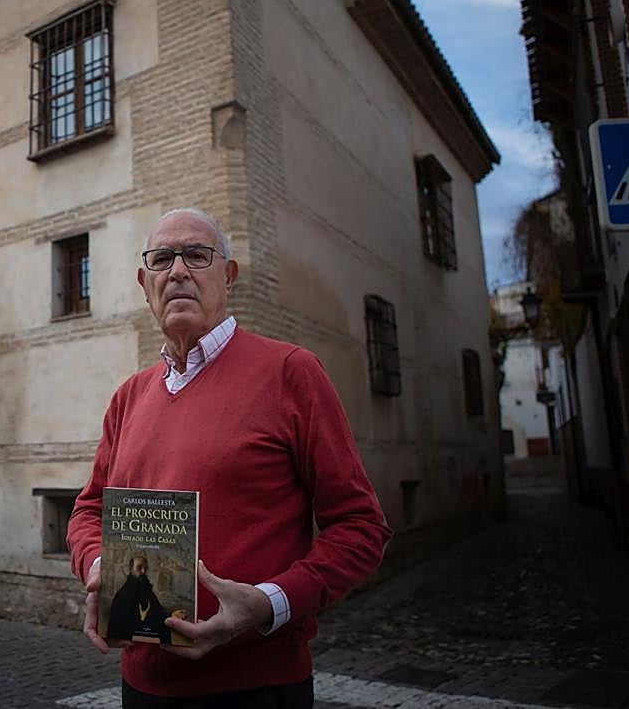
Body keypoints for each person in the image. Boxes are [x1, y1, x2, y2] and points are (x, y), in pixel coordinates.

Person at [67, 208, 392, 708]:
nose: (177, 271)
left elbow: (361, 527)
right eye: (161, 259)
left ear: (229, 276)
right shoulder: (128, 397)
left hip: (256, 687)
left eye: (197, 256)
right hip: (142, 686)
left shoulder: (291, 373)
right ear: (144, 282)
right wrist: (97, 568)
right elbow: (89, 512)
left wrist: (268, 604)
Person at [105, 555, 172, 645]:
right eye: (139, 568)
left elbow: (157, 612)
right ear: (131, 569)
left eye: (145, 568)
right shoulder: (123, 596)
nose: (143, 571)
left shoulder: (146, 591)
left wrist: (170, 615)